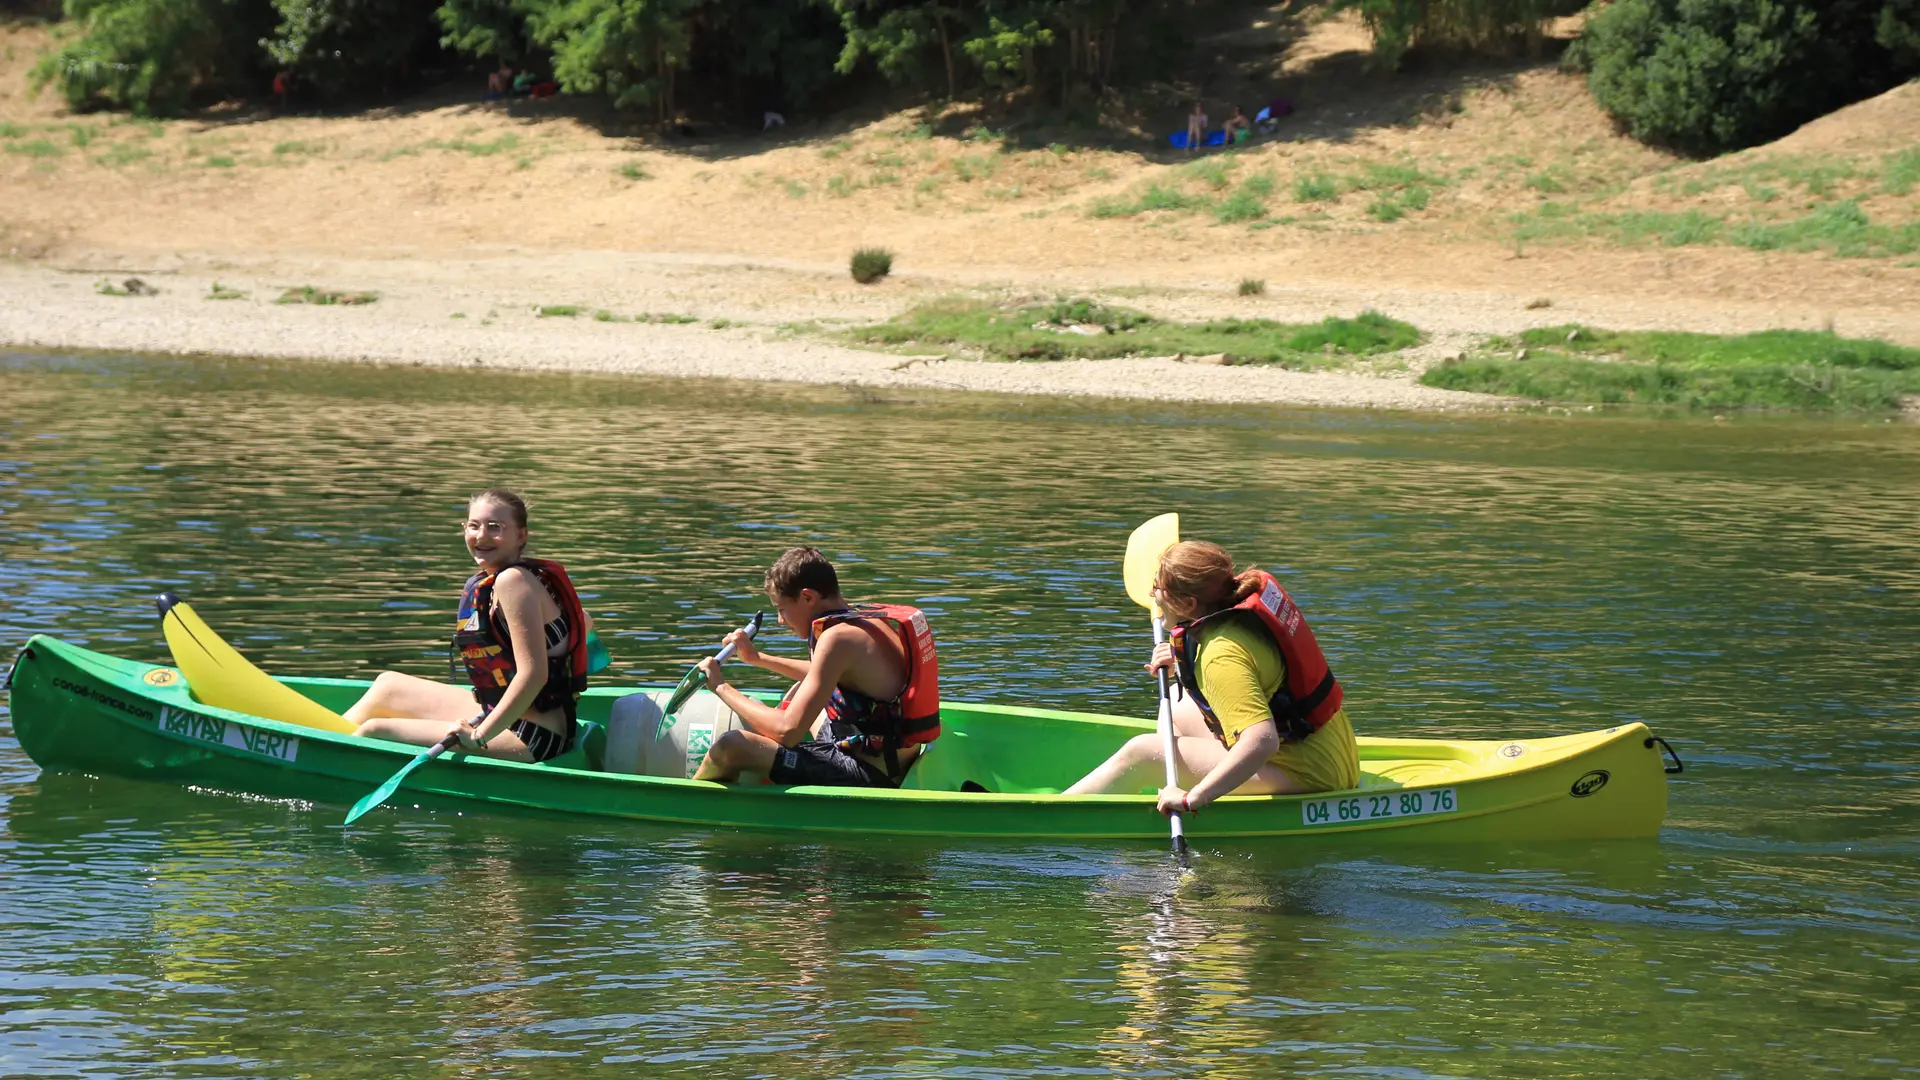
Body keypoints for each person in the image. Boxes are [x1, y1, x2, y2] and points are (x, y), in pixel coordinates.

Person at [1064, 541, 1358, 815]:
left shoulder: (1220, 655)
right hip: (1326, 753)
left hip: (1311, 774)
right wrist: (1182, 663)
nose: (1153, 595)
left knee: (1143, 753)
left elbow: (1263, 741)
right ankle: (1165, 793)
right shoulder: (1233, 617)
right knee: (1178, 708)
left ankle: (1061, 814)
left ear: (1189, 604)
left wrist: (1195, 798)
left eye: (1157, 588)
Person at [344, 488, 594, 763]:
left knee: (374, 730)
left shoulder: (513, 582)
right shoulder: (520, 579)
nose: (481, 536)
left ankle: (318, 758)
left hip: (532, 736)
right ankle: (317, 739)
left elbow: (534, 675)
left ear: (521, 536)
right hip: (505, 714)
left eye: (495, 527)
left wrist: (479, 736)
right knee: (388, 686)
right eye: (473, 526)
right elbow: (584, 624)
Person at [691, 547, 939, 788]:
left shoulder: (837, 638)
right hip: (888, 757)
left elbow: (788, 732)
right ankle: (771, 763)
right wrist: (756, 658)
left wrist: (720, 686)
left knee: (731, 745)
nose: (780, 620)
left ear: (808, 597)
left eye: (781, 610)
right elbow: (821, 673)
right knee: (800, 690)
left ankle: (692, 806)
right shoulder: (861, 620)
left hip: (871, 774)